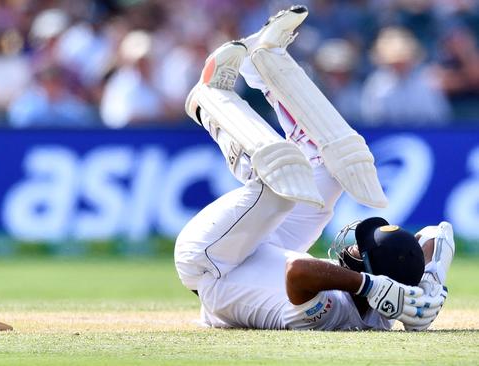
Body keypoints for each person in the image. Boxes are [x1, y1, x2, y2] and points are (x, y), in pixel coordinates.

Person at [175, 5, 453, 331]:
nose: (350, 246)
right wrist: (429, 284)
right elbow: (439, 234)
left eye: (359, 248)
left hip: (210, 263)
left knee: (280, 185)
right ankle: (263, 66)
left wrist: (369, 285)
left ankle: (209, 101)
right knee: (338, 167)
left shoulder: (335, 310)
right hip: (263, 246)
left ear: (370, 271)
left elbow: (298, 274)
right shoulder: (383, 306)